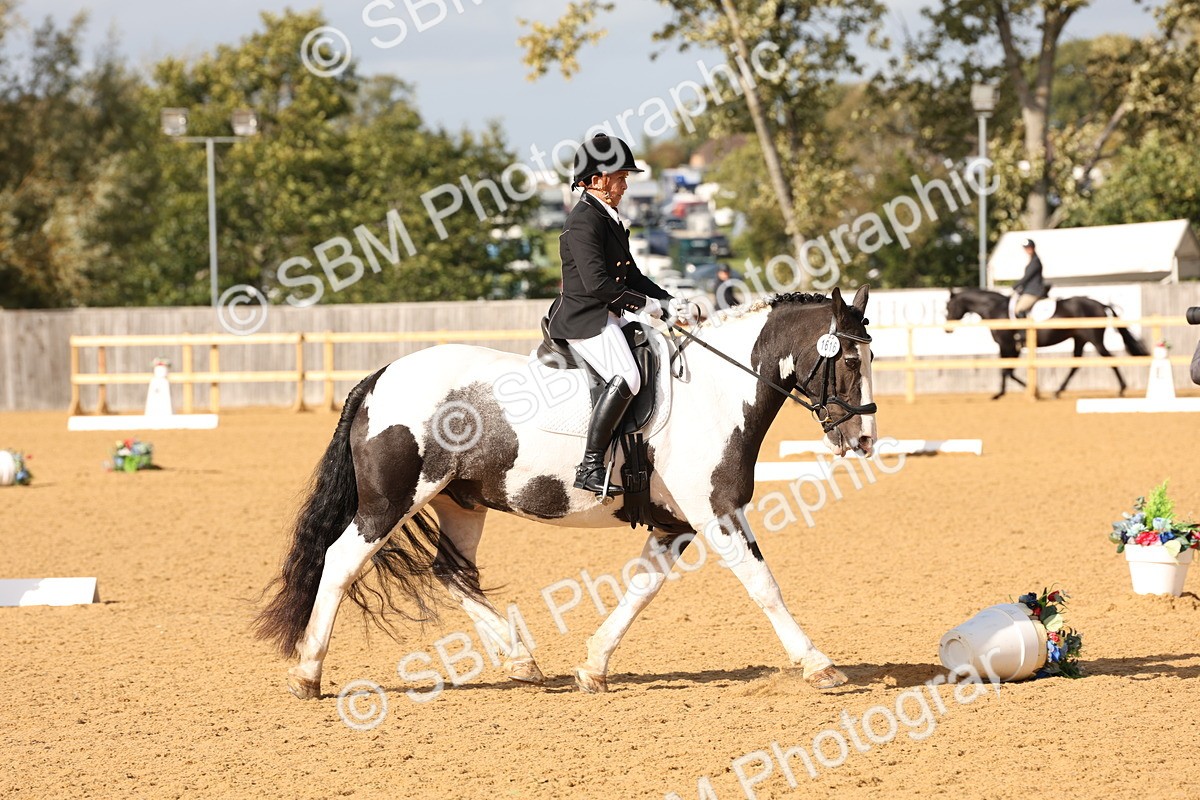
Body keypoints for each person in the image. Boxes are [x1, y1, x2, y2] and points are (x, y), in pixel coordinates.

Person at [546, 133, 692, 497]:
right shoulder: (584, 221)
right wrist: (645, 306)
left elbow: (633, 277)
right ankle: (591, 465)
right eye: (621, 177)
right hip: (586, 317)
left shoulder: (606, 217)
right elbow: (598, 285)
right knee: (627, 374)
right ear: (597, 180)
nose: (626, 184)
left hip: (609, 313)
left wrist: (670, 302)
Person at [1013, 238, 1046, 318]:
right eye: (1026, 248)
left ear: (1033, 247)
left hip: (1034, 292)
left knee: (1018, 309)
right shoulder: (1032, 260)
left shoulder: (1035, 262)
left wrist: (1015, 285)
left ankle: (1023, 330)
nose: (1027, 250)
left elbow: (1027, 277)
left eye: (1029, 247)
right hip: (1028, 290)